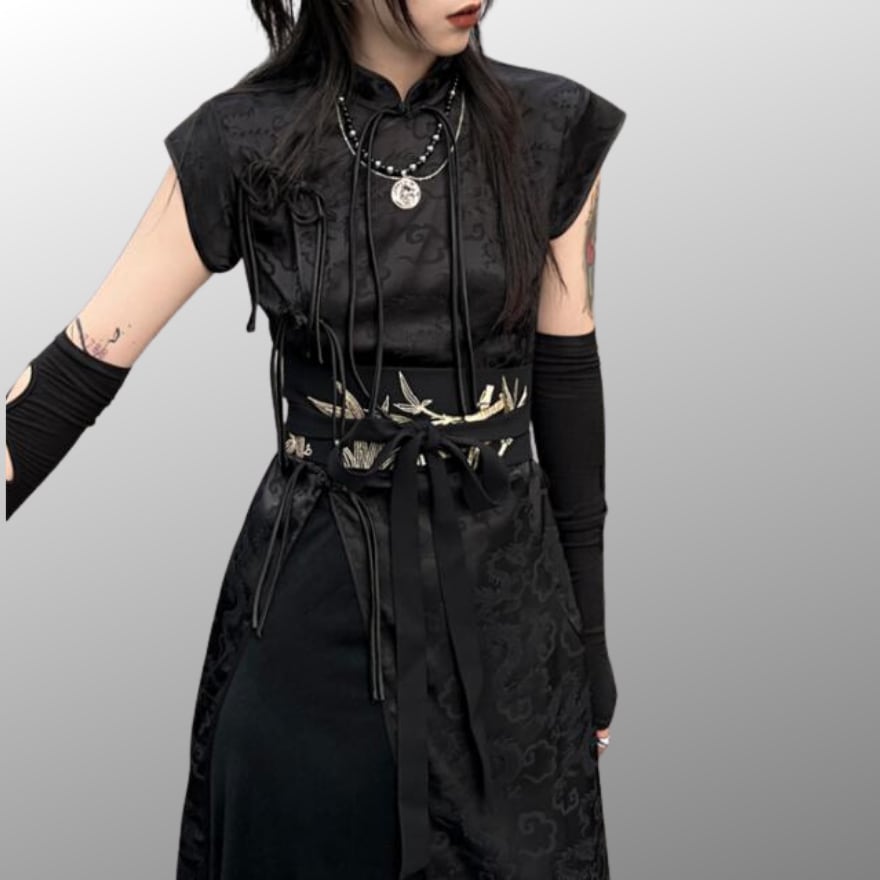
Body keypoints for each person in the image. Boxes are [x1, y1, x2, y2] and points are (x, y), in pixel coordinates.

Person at [5, 1, 627, 877]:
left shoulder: (549, 125)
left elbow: (566, 383)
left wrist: (589, 635)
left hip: (513, 629)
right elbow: (80, 365)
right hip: (315, 621)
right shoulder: (246, 137)